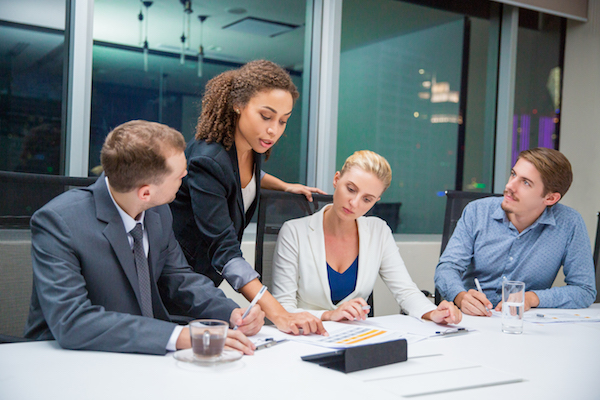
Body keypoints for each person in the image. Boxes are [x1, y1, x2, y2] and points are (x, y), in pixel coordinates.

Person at [24, 120, 264, 355]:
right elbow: (72, 321)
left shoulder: (157, 210)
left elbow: (179, 277)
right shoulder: (59, 222)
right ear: (145, 192)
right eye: (180, 177)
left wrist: (231, 313)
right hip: (69, 360)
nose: (186, 177)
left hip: (143, 357)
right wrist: (180, 336)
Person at [170, 60, 327, 336]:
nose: (273, 130)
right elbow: (225, 250)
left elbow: (248, 176)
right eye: (266, 116)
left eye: (283, 121)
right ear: (238, 104)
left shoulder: (247, 145)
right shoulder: (208, 160)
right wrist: (280, 314)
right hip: (178, 283)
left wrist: (284, 186)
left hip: (204, 279)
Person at [271, 150, 462, 324]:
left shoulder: (378, 231)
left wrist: (433, 312)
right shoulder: (294, 232)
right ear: (336, 179)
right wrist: (329, 315)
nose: (354, 203)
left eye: (367, 199)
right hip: (304, 338)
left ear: (375, 202)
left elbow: (405, 291)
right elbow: (283, 308)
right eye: (351, 189)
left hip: (355, 339)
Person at [435, 147, 597, 316]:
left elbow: (584, 290)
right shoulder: (477, 212)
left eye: (526, 182)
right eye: (513, 174)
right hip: (473, 319)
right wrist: (460, 297)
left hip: (524, 324)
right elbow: (447, 268)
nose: (509, 186)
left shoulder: (569, 223)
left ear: (550, 198)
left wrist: (531, 298)